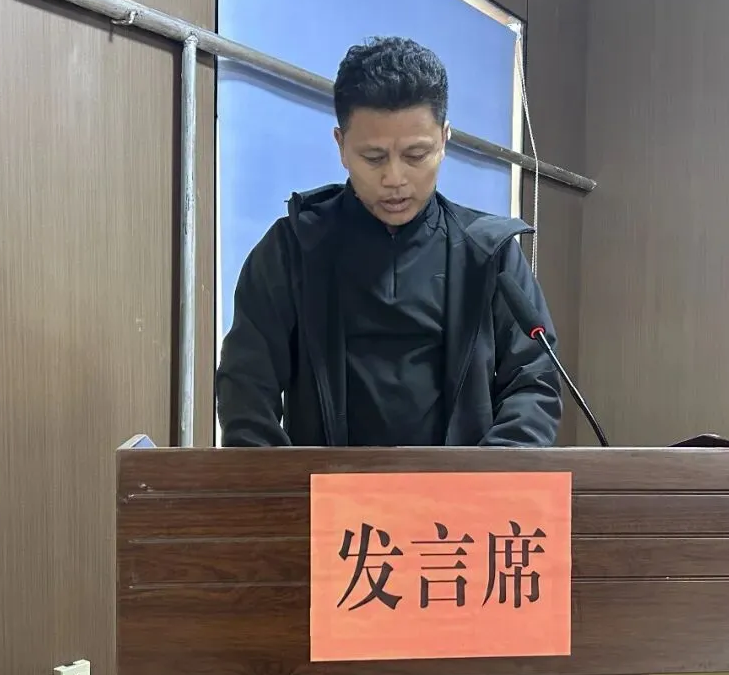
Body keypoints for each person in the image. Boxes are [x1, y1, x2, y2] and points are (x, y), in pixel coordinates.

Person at [215, 36, 562, 448]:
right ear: (341, 146)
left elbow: (534, 381)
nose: (395, 179)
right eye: (374, 158)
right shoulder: (292, 250)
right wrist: (282, 483)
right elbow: (246, 390)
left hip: (463, 489)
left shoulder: (490, 254)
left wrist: (487, 475)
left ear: (444, 140)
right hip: (323, 488)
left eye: (416, 155)